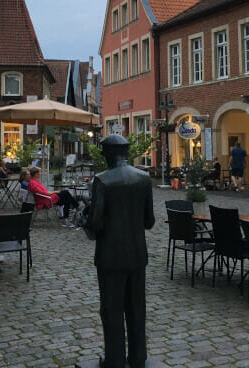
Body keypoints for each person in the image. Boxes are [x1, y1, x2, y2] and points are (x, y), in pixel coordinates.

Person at [89, 134, 155, 368]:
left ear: (107, 154)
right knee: (137, 308)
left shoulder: (102, 180)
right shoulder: (144, 178)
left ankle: (115, 359)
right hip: (137, 255)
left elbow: (96, 223)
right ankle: (138, 357)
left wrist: (87, 222)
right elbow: (149, 221)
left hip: (110, 256)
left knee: (112, 308)